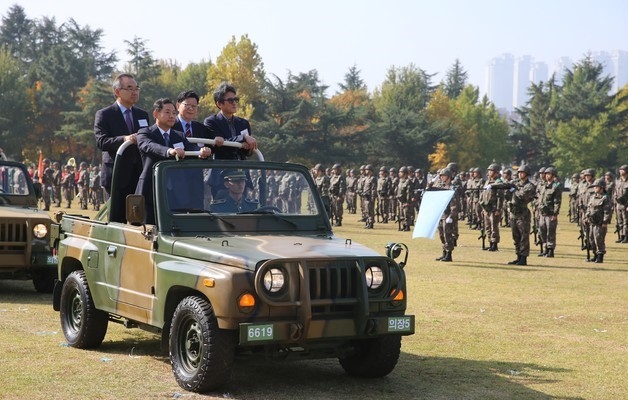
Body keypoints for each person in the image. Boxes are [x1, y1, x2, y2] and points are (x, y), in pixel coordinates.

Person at [136, 98, 212, 224]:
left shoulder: (180, 135)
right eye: (167, 112)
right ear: (156, 113)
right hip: (151, 191)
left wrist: (202, 152)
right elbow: (150, 146)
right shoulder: (145, 133)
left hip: (177, 195)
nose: (172, 116)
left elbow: (192, 149)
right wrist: (169, 151)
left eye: (173, 113)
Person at [94, 73, 150, 222]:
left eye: (137, 88)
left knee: (138, 221)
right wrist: (124, 139)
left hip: (139, 176)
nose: (135, 92)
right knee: (116, 221)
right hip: (116, 176)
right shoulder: (104, 114)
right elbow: (101, 141)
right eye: (130, 88)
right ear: (117, 92)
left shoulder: (142, 115)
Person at [203, 82, 257, 197]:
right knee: (222, 212)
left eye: (236, 99)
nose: (234, 103)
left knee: (244, 212)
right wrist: (243, 138)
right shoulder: (211, 122)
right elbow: (221, 145)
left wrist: (248, 147)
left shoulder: (244, 123)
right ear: (219, 103)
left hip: (242, 177)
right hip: (221, 178)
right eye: (230, 100)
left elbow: (247, 153)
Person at [507, 165, 536, 266]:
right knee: (516, 237)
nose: (520, 174)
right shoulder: (515, 183)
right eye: (519, 172)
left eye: (522, 172)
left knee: (524, 237)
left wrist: (514, 190)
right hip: (513, 214)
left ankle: (523, 258)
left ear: (527, 174)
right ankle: (518, 256)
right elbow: (506, 185)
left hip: (523, 214)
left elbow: (521, 196)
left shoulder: (530, 186)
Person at [433, 168, 459, 262]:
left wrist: (451, 216)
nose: (442, 177)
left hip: (448, 214)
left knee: (447, 234)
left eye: (443, 176)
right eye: (441, 176)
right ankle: (444, 252)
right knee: (441, 235)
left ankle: (449, 254)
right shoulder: (440, 187)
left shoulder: (452, 188)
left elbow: (454, 204)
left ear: (448, 177)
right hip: (441, 214)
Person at [585, 178, 613, 263]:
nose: (595, 188)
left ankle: (600, 256)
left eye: (597, 187)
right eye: (594, 187)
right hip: (592, 222)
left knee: (599, 239)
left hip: (600, 223)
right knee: (591, 239)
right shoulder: (592, 197)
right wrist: (586, 216)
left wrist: (605, 221)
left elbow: (607, 211)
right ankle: (595, 255)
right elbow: (589, 208)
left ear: (602, 188)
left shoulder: (605, 198)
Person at [537, 167, 562, 257]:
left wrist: (555, 214)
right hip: (542, 213)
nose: (547, 176)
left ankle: (550, 250)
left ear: (553, 175)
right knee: (542, 231)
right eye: (546, 174)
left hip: (550, 213)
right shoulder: (543, 186)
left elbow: (557, 202)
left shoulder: (556, 187)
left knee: (550, 232)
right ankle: (545, 248)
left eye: (549, 174)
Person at [479, 163, 504, 251]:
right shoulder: (487, 182)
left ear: (496, 172)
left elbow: (500, 197)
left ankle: (494, 244)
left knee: (494, 227)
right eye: (489, 171)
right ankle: (490, 242)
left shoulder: (498, 183)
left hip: (493, 209)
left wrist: (498, 209)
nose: (489, 172)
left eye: (491, 171)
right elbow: (483, 194)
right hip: (486, 208)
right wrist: (482, 208)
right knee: (488, 227)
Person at [614, 165, 628, 243]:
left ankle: (626, 236)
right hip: (619, 204)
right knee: (620, 221)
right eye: (620, 170)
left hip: (626, 205)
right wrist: (615, 203)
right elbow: (615, 192)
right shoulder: (618, 181)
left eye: (623, 170)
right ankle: (621, 236)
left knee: (626, 222)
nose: (621, 171)